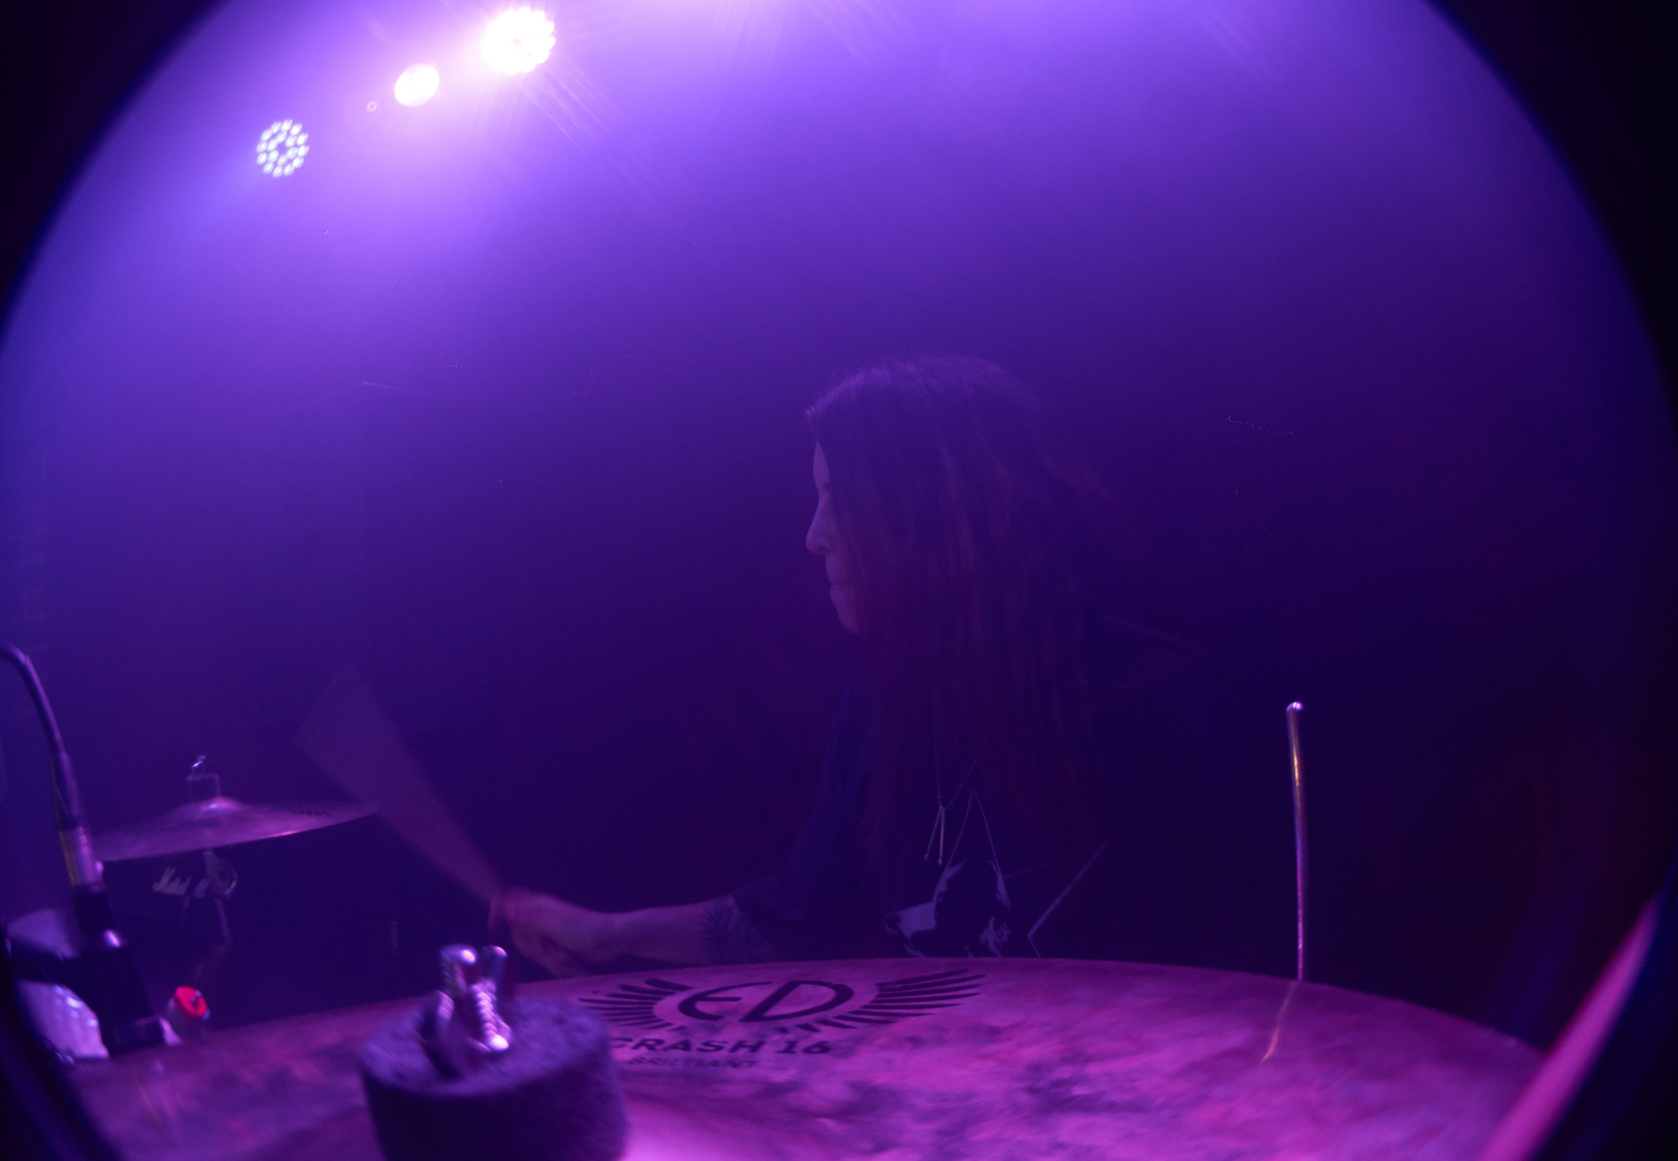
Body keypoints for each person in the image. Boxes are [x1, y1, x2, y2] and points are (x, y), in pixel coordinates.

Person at [498, 357, 1278, 976]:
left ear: (926, 512)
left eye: (839, 499)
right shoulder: (880, 708)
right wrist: (607, 935)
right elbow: (793, 918)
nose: (815, 535)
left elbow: (1265, 974)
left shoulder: (1160, 702)